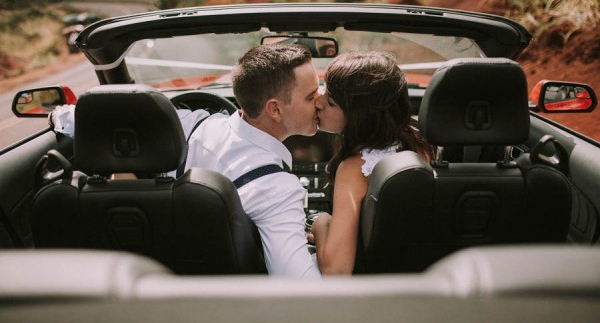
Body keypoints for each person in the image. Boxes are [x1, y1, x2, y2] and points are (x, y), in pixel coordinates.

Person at [52, 43, 322, 279]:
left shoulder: (183, 123)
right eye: (311, 96)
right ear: (274, 109)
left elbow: (82, 117)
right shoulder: (276, 189)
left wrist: (56, 117)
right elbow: (300, 285)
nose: (320, 102)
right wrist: (323, 227)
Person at [310, 51, 434, 275]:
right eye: (322, 87)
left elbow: (336, 271)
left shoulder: (354, 169)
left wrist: (322, 223)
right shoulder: (420, 146)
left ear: (359, 115)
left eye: (330, 101)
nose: (317, 102)